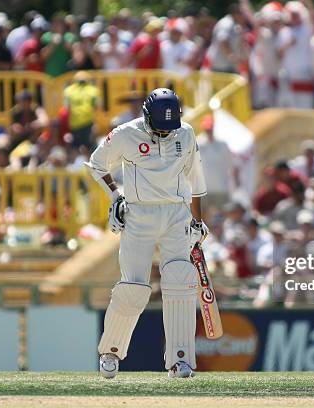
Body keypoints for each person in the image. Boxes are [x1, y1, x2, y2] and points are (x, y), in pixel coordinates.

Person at [84, 88, 208, 379]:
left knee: (180, 283)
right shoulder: (126, 134)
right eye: (160, 129)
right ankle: (110, 353)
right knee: (134, 288)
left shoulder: (185, 133)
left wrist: (197, 221)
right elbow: (96, 163)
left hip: (177, 213)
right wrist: (116, 196)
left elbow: (197, 180)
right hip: (139, 215)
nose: (165, 135)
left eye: (170, 129)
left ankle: (180, 360)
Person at [64, 71, 99, 149]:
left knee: (76, 147)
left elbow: (66, 108)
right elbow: (97, 106)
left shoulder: (68, 90)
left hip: (74, 124)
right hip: (88, 123)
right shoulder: (93, 90)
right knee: (89, 147)